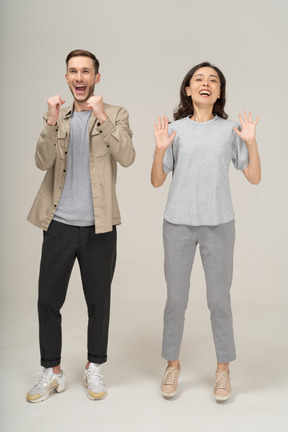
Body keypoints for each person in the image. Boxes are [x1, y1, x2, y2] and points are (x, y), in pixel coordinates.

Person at [26, 49, 135, 402]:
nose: (79, 77)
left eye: (86, 71)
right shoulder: (58, 115)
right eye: (73, 71)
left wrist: (102, 117)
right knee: (47, 300)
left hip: (98, 227)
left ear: (96, 78)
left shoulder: (116, 114)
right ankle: (51, 372)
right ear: (67, 77)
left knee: (98, 301)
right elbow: (42, 161)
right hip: (58, 223)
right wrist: (49, 120)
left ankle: (94, 368)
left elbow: (128, 157)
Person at [151, 62, 261, 401]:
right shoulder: (174, 129)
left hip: (219, 224)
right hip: (178, 224)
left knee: (219, 301)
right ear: (188, 90)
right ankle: (172, 364)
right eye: (199, 79)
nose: (206, 83)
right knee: (176, 299)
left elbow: (254, 177)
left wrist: (252, 142)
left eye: (213, 80)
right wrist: (159, 149)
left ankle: (223, 370)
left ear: (219, 92)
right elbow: (157, 181)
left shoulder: (231, 130)